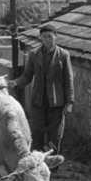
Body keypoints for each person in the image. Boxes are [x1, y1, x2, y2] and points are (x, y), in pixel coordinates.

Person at [8, 22, 74, 153]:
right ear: (40, 38)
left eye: (50, 36)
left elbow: (69, 79)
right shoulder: (34, 54)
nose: (47, 40)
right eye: (44, 37)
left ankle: (52, 165)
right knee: (37, 133)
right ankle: (37, 164)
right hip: (38, 102)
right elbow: (27, 76)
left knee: (54, 136)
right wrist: (15, 82)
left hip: (56, 103)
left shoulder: (63, 55)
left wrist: (69, 102)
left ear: (56, 37)